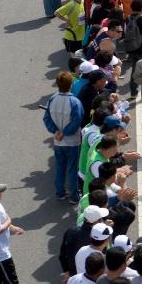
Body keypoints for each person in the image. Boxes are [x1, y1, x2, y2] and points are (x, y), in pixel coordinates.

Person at [43, 69, 85, 200]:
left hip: (58, 141)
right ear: (71, 84)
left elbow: (46, 118)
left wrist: (56, 131)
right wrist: (64, 132)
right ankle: (74, 196)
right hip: (72, 141)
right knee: (72, 169)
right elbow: (77, 120)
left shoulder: (52, 99)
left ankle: (60, 192)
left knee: (60, 167)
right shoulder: (74, 101)